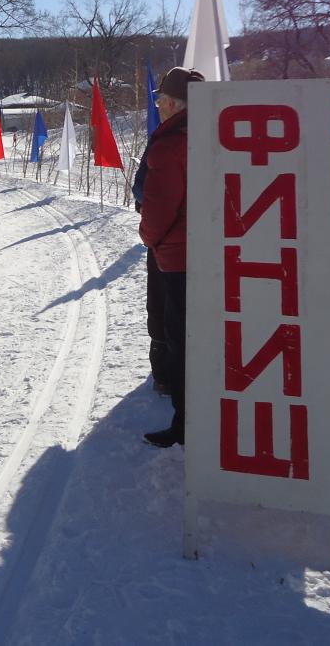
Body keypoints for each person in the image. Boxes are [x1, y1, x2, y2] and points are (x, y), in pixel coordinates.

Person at [139, 67, 204, 447]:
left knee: (183, 342)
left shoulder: (170, 143)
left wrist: (148, 236)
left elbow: (159, 208)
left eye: (161, 99)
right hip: (217, 252)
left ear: (175, 103)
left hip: (179, 258)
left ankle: (186, 425)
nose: (158, 105)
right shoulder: (215, 133)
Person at [132, 145, 170, 394]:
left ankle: (166, 373)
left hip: (166, 242)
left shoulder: (165, 140)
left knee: (163, 302)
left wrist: (150, 234)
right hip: (171, 241)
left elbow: (141, 190)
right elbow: (141, 190)